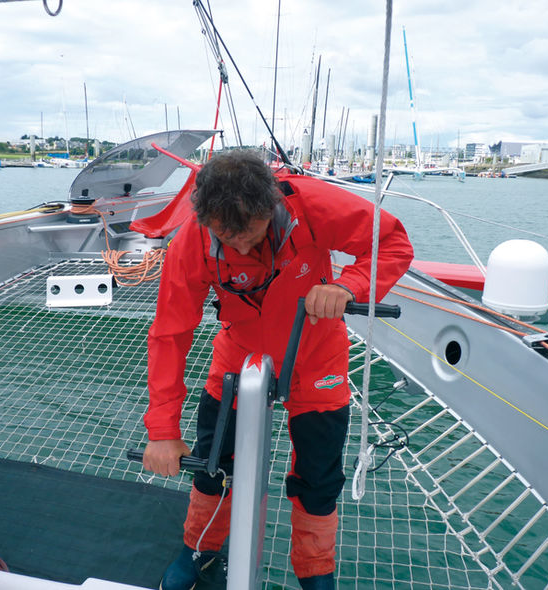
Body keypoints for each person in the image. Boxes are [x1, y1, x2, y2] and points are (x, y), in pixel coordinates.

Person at [142, 150, 413, 590]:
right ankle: (200, 548)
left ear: (271, 207)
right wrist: (162, 430)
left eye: (250, 233)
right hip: (239, 355)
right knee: (213, 465)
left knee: (319, 477)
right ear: (205, 220)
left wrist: (349, 285)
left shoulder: (314, 203)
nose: (243, 248)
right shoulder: (190, 241)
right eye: (228, 239)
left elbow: (393, 242)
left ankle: (315, 571)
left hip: (317, 353)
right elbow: (170, 333)